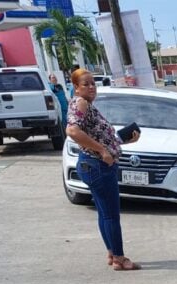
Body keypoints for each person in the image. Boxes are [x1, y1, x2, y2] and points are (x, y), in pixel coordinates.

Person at [65, 68, 141, 271]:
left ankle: (111, 252)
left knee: (104, 213)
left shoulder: (85, 105)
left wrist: (122, 141)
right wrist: (102, 151)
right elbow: (72, 130)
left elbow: (100, 136)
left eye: (93, 83)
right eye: (86, 84)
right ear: (76, 87)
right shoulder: (80, 103)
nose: (91, 87)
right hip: (97, 165)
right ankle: (119, 258)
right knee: (111, 215)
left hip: (93, 164)